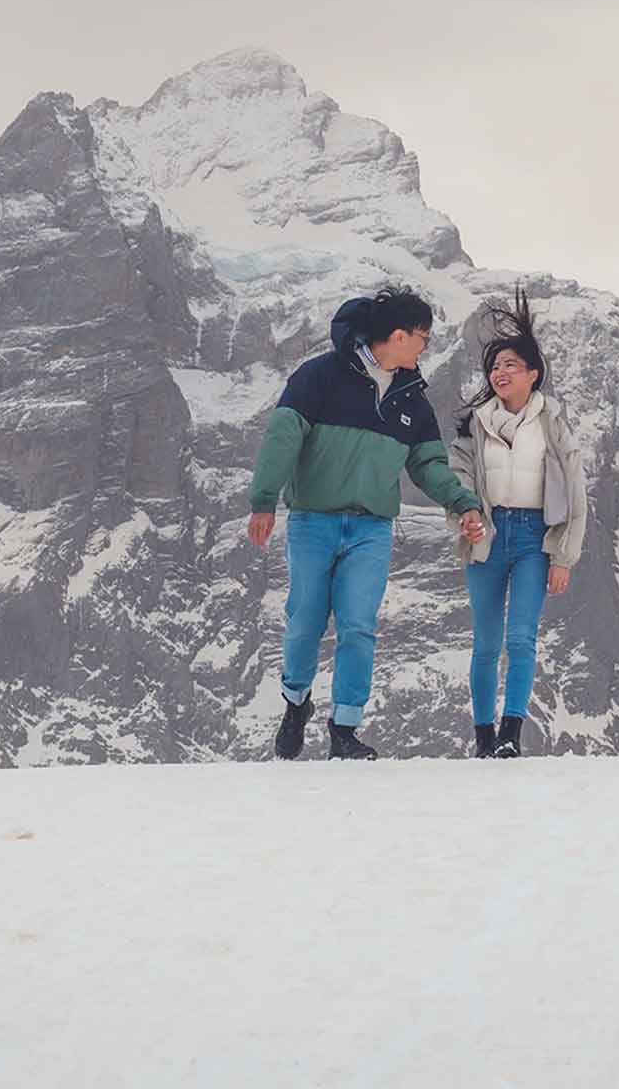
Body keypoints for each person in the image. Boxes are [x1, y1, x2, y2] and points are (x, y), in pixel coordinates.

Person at [247, 286, 486, 760]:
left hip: (371, 529)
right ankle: (296, 703)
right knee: (305, 622)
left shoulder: (411, 397)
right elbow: (282, 435)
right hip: (313, 520)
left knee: (358, 625)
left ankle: (345, 730)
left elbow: (427, 465)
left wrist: (463, 503)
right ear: (399, 335)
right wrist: (264, 499)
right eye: (422, 337)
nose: (424, 347)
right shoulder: (320, 376)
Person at [447, 288, 589, 758]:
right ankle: (484, 737)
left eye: (511, 365)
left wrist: (564, 555)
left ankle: (511, 734)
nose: (500, 373)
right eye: (495, 366)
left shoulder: (553, 426)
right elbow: (459, 476)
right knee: (486, 642)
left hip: (534, 538)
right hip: (486, 536)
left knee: (521, 638)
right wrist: (464, 515)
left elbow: (575, 492)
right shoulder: (475, 424)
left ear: (532, 374)